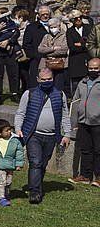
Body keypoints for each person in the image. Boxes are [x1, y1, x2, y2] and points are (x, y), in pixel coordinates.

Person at [15, 65, 73, 204]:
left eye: (49, 79)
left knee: (43, 164)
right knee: (35, 162)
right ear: (37, 79)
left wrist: (67, 134)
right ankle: (35, 192)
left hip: (52, 136)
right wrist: (18, 128)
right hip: (33, 134)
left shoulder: (60, 95)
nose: (47, 81)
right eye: (43, 79)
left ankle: (36, 184)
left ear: (53, 79)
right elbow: (20, 113)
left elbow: (65, 115)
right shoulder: (29, 94)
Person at [70, 58, 100, 186]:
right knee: (85, 150)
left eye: (96, 68)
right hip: (83, 122)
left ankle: (98, 177)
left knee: (98, 150)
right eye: (91, 68)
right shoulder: (82, 82)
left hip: (97, 122)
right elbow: (76, 102)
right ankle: (85, 175)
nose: (93, 70)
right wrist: (74, 122)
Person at [0, 120, 26, 207]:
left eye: (10, 129)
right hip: (0, 165)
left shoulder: (15, 140)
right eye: (7, 130)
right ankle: (2, 198)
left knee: (8, 182)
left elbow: (19, 152)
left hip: (10, 165)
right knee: (2, 181)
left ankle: (7, 194)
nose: (10, 132)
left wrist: (19, 164)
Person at [0, 7, 22, 102]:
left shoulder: (11, 24)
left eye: (0, 13)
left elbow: (16, 33)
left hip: (10, 52)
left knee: (13, 74)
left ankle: (14, 93)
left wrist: (8, 41)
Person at [36, 16, 69, 91]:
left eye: (54, 27)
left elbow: (64, 50)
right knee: (46, 85)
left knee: (58, 86)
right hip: (46, 64)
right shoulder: (46, 36)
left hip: (60, 65)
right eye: (51, 27)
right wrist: (53, 48)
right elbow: (40, 49)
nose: (53, 29)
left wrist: (47, 52)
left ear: (59, 26)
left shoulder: (65, 36)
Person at [66, 10, 92, 96]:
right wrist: (85, 45)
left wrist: (80, 44)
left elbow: (91, 44)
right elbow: (72, 47)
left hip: (88, 60)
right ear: (72, 20)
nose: (78, 19)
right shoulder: (70, 31)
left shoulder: (89, 28)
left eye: (80, 17)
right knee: (75, 87)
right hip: (75, 63)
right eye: (75, 18)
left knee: (89, 86)